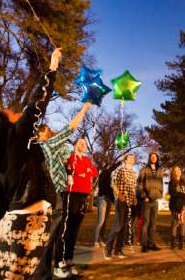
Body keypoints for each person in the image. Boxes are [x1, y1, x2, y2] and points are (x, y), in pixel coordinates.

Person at [0, 48, 61, 279]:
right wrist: (53, 67)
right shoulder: (13, 139)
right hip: (29, 222)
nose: (18, 115)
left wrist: (1, 222)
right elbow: (36, 105)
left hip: (13, 221)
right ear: (6, 125)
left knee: (6, 275)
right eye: (13, 115)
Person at [34, 102, 92, 279]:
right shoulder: (47, 145)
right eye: (48, 130)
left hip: (55, 193)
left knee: (56, 233)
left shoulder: (46, 150)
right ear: (41, 134)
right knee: (53, 235)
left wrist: (76, 150)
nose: (51, 132)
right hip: (56, 194)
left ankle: (54, 268)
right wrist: (83, 110)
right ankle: (44, 273)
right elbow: (70, 128)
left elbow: (70, 158)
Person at [54, 137, 98, 276]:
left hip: (84, 196)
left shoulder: (87, 160)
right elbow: (69, 172)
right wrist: (79, 174)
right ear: (74, 145)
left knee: (74, 230)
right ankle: (58, 262)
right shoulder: (70, 157)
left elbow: (94, 173)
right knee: (65, 229)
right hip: (71, 194)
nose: (83, 144)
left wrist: (83, 174)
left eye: (84, 143)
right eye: (80, 142)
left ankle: (69, 260)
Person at [105, 153, 137, 260]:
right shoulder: (120, 170)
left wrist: (134, 198)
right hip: (121, 201)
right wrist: (119, 195)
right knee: (117, 225)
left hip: (129, 202)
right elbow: (113, 183)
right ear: (125, 160)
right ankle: (108, 249)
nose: (132, 159)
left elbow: (132, 187)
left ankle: (118, 250)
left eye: (133, 158)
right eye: (130, 158)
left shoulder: (133, 173)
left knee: (123, 227)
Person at [137, 151, 164, 252]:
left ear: (157, 158)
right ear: (149, 158)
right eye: (152, 156)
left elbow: (161, 184)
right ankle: (144, 245)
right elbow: (139, 184)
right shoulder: (144, 170)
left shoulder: (160, 170)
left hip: (155, 200)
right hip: (146, 200)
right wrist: (144, 196)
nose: (153, 158)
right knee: (146, 223)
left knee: (153, 223)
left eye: (155, 156)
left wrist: (160, 194)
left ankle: (151, 243)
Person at [93, 161, 122, 246]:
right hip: (102, 198)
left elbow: (110, 190)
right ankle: (95, 240)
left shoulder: (110, 176)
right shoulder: (104, 173)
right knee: (101, 221)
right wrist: (119, 163)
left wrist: (113, 200)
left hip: (108, 199)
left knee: (105, 221)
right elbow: (107, 189)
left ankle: (101, 239)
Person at [168, 163, 185, 249]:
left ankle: (181, 242)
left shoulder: (184, 182)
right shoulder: (172, 182)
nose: (178, 171)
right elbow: (172, 193)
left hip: (184, 206)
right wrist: (182, 195)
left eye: (179, 170)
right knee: (175, 223)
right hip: (175, 206)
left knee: (183, 224)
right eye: (176, 170)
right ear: (173, 172)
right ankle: (173, 243)